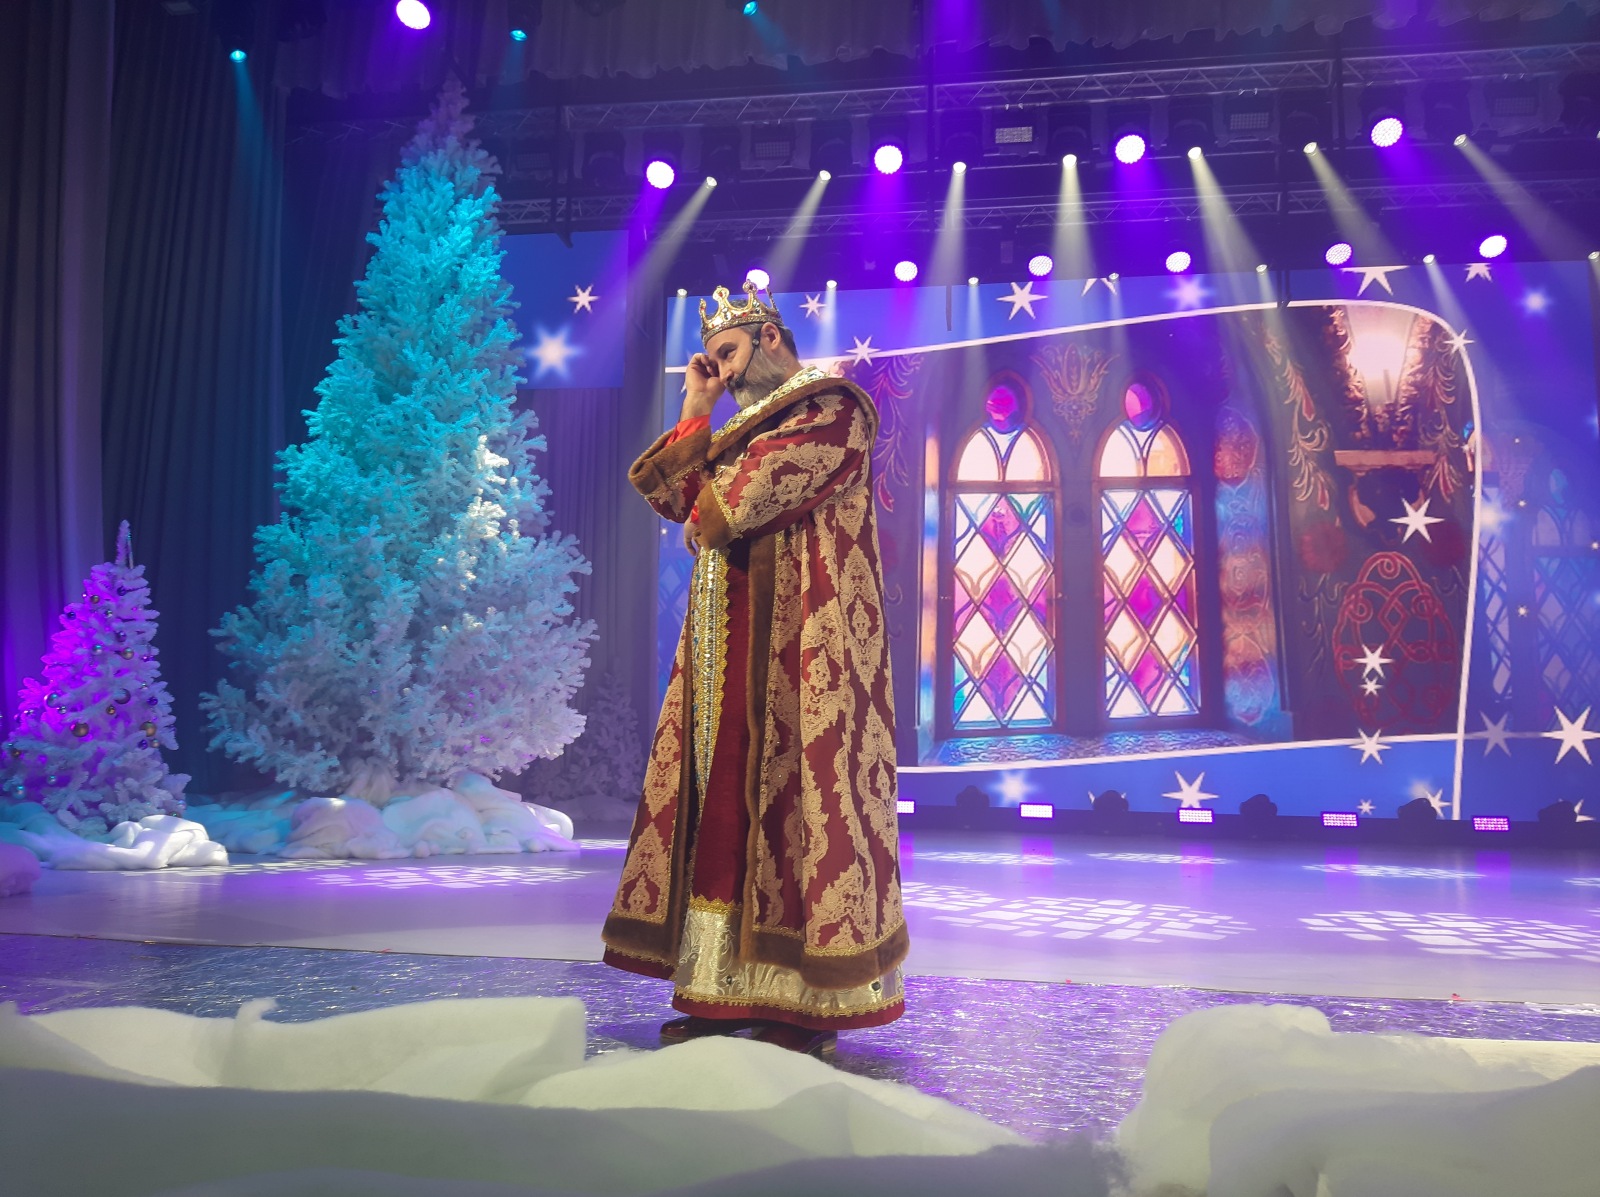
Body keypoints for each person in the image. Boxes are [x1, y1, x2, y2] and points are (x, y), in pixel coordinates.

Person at [601, 281, 907, 1056]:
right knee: (721, 809)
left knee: (802, 810)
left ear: (771, 337)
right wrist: (697, 406)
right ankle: (718, 988)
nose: (726, 370)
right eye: (715, 359)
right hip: (728, 644)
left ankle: (806, 1004)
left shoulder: (831, 409)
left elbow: (729, 505)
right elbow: (679, 499)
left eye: (731, 354)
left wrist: (707, 483)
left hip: (803, 647)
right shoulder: (744, 427)